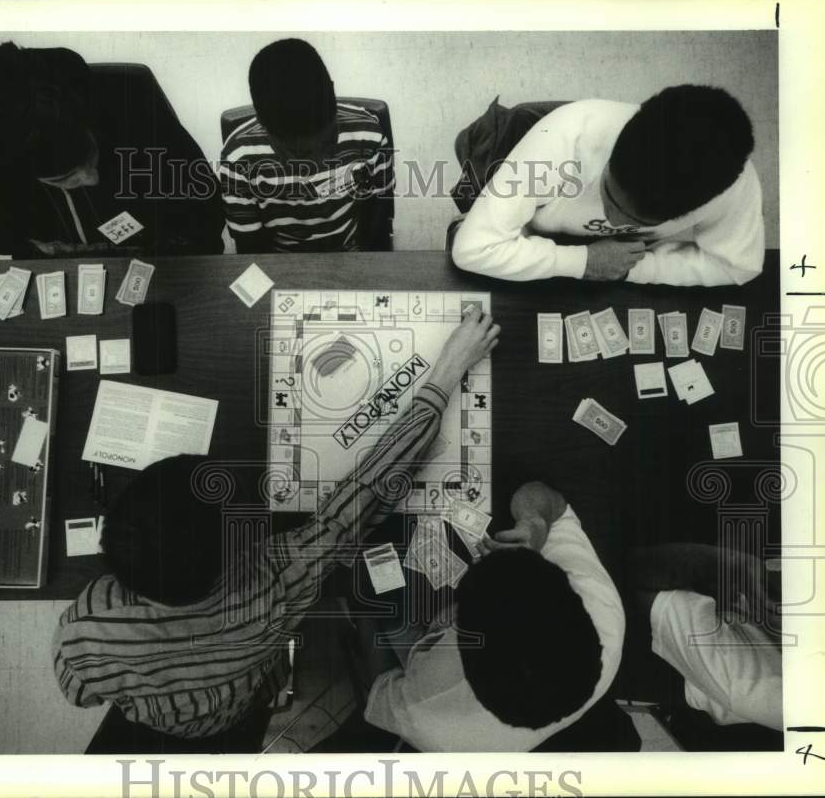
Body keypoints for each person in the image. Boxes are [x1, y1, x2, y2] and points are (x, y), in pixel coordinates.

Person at [52, 307, 500, 749]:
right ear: (241, 551)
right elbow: (365, 493)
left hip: (172, 725)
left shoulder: (84, 627)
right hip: (248, 701)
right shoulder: (274, 583)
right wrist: (445, 374)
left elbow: (79, 693)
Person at [364, 482, 625, 751]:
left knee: (372, 569)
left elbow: (378, 685)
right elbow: (551, 502)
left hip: (422, 660)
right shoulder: (598, 610)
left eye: (463, 614)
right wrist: (533, 526)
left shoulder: (430, 721)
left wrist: (371, 604)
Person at [0, 42, 224, 258]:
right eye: (67, 177)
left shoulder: (132, 109)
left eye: (90, 157)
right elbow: (4, 236)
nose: (92, 177)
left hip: (158, 259)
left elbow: (206, 217)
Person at [451, 85, 765, 285]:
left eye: (636, 222)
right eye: (610, 199)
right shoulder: (567, 138)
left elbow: (737, 266)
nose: (614, 222)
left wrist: (632, 269)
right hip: (528, 240)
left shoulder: (732, 184)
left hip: (618, 263)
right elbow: (473, 249)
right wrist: (585, 262)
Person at [219, 38, 394, 253]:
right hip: (279, 263)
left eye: (325, 141)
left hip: (351, 254)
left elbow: (378, 213)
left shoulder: (369, 134)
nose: (312, 161)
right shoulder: (239, 159)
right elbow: (250, 246)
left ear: (332, 95)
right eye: (295, 150)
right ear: (263, 123)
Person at [629, 543, 782, 731]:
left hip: (655, 654)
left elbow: (638, 573)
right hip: (730, 598)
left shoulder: (754, 686)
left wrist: (736, 563)